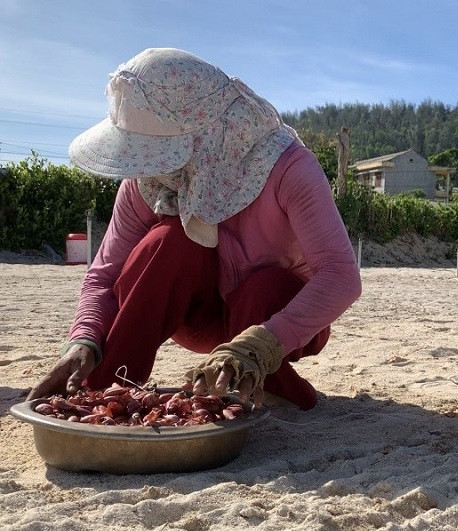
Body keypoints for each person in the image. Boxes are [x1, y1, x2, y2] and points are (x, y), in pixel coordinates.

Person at [26, 48, 362, 410]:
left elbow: (341, 276)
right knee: (168, 241)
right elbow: (103, 276)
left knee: (264, 286)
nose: (147, 165)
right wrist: (84, 342)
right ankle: (107, 389)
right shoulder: (148, 181)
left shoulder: (288, 169)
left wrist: (261, 344)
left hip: (278, 318)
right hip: (198, 315)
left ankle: (274, 385)